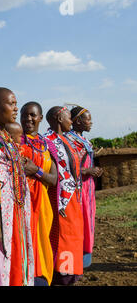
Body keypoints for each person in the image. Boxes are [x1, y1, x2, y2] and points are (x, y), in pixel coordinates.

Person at [0, 87, 34, 286]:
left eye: (16, 103)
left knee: (16, 260)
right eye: (11, 104)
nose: (16, 108)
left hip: (16, 212)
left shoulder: (6, 138)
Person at [19, 102, 59, 286]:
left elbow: (53, 180)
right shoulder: (14, 140)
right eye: (24, 114)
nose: (28, 118)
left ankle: (39, 278)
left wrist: (36, 171)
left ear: (41, 118)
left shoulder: (47, 146)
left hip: (42, 205)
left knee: (41, 243)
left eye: (32, 115)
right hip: (20, 203)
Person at [44, 106, 83, 285]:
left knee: (73, 237)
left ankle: (71, 274)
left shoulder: (66, 140)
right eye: (69, 117)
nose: (72, 121)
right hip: (60, 200)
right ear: (59, 118)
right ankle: (63, 276)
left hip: (73, 198)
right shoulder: (47, 141)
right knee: (64, 239)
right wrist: (60, 203)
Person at [66, 106, 103, 268]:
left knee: (88, 221)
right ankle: (74, 260)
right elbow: (66, 168)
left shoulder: (84, 141)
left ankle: (84, 260)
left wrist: (94, 171)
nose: (91, 122)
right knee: (77, 223)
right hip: (76, 190)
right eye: (88, 119)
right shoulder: (68, 141)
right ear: (78, 121)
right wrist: (88, 170)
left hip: (88, 189)